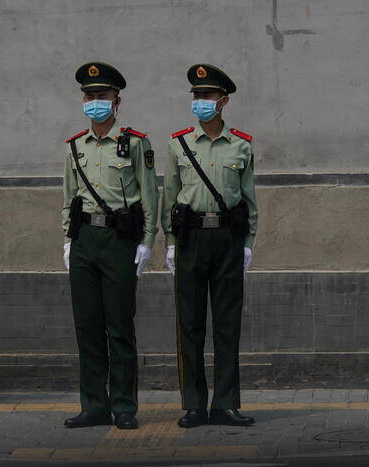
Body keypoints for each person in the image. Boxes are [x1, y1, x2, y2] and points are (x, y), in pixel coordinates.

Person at [61, 62, 159, 430]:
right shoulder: (74, 147)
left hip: (120, 240)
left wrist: (147, 243)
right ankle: (93, 405)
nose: (94, 101)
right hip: (85, 240)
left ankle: (123, 406)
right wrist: (68, 240)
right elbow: (67, 197)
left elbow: (150, 196)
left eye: (101, 95)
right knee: (87, 326)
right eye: (89, 96)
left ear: (116, 100)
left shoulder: (135, 142)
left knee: (119, 326)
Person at [161, 64, 258, 428]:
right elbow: (169, 196)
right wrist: (170, 242)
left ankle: (226, 403)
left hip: (228, 239)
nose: (201, 101)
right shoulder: (179, 143)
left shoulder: (242, 144)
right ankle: (194, 405)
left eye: (208, 96)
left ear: (224, 100)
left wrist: (248, 242)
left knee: (227, 324)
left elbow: (249, 198)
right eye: (197, 96)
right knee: (190, 324)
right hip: (191, 237)